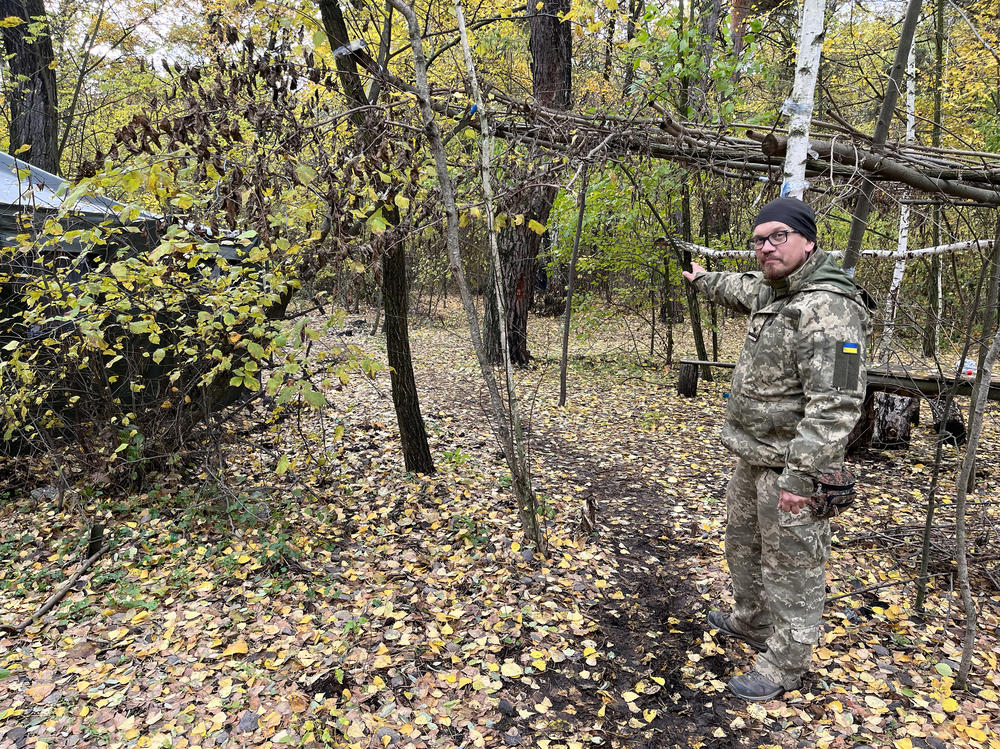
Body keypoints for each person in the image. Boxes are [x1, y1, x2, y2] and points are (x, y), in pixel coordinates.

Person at [681, 197, 870, 702]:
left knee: (792, 567)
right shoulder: (775, 291)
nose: (766, 248)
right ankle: (752, 620)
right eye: (759, 240)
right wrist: (701, 278)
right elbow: (737, 287)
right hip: (752, 457)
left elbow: (839, 402)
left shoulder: (831, 308)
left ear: (808, 240)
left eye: (777, 237)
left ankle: (787, 664)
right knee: (742, 547)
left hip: (791, 467)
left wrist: (801, 478)